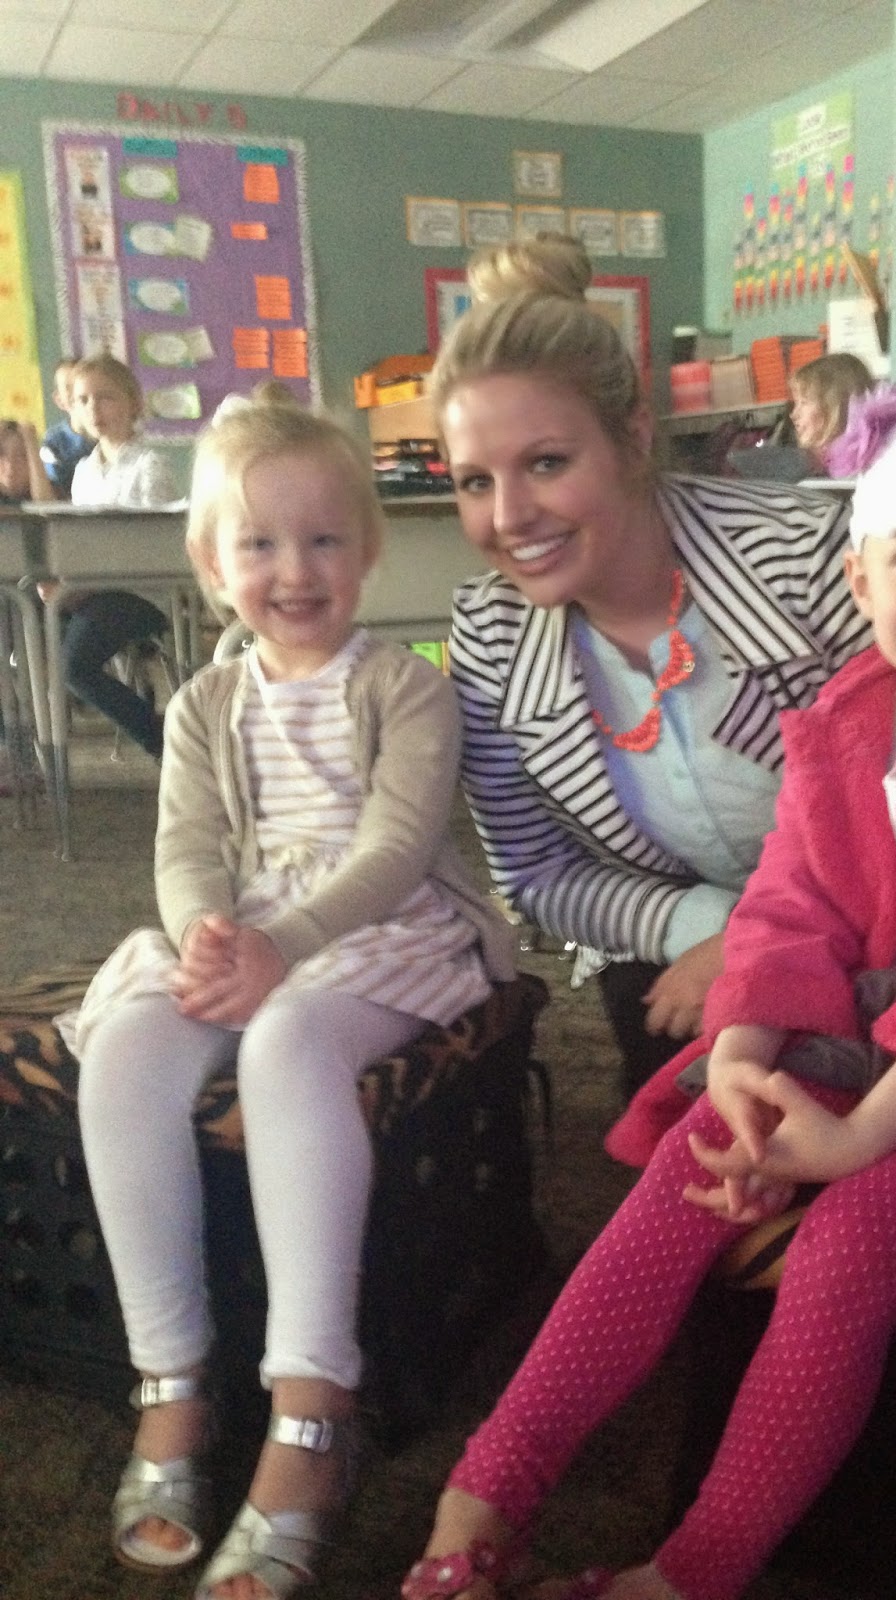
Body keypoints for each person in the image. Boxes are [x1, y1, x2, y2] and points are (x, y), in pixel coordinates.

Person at [402, 381, 896, 1600]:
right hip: (870, 1027)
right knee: (689, 1165)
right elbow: (791, 904)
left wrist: (856, 1139)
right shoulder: (849, 713)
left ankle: (694, 1573)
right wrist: (742, 1056)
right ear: (862, 577)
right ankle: (484, 1496)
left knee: (851, 1246)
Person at [66, 404, 515, 1598]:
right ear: (212, 564)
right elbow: (187, 845)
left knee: (286, 1042)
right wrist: (205, 933)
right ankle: (171, 1381)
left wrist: (283, 946)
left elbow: (397, 849)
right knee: (126, 1047)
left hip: (380, 929)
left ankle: (313, 1411)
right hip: (255, 929)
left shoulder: (406, 690)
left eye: (323, 540)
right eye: (259, 544)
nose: (295, 570)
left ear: (368, 549)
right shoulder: (204, 704)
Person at [435, 234, 871, 1100]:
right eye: (475, 481)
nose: (509, 517)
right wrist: (707, 926)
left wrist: (770, 935)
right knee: (696, 1128)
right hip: (675, 931)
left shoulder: (805, 559)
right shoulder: (489, 633)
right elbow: (535, 874)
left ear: (634, 435)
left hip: (879, 909)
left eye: (547, 463)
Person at [55, 353, 181, 757]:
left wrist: (88, 586)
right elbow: (81, 543)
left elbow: (155, 548)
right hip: (95, 592)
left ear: (133, 403)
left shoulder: (150, 465)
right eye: (83, 400)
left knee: (73, 666)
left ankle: (163, 742)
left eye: (106, 397)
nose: (94, 409)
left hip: (143, 592)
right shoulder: (84, 471)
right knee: (35, 633)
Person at [785, 351, 874, 470]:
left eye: (804, 403)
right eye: (796, 403)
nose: (794, 414)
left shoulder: (872, 466)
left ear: (835, 406)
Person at [39, 356, 92, 496]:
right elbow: (53, 485)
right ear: (59, 400)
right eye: (69, 387)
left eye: (80, 384)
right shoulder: (53, 441)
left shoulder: (106, 432)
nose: (77, 393)